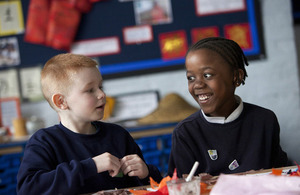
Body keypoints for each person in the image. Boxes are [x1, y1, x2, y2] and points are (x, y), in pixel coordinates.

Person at [17, 53, 162, 195]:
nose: (102, 94)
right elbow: (28, 189)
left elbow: (154, 187)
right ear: (61, 102)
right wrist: (92, 166)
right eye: (90, 90)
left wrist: (146, 173)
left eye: (101, 87)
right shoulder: (44, 141)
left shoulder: (118, 135)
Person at [168, 37, 289, 178]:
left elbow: (283, 174)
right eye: (191, 78)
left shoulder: (264, 120)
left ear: (236, 76)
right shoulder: (185, 133)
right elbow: (177, 186)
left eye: (207, 75)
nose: (198, 84)